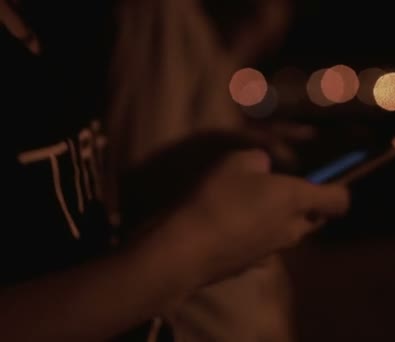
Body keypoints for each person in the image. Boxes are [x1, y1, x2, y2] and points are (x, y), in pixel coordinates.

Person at [0, 0, 350, 341]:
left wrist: (174, 175)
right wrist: (195, 249)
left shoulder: (60, 22)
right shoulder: (152, 14)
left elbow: (71, 221)